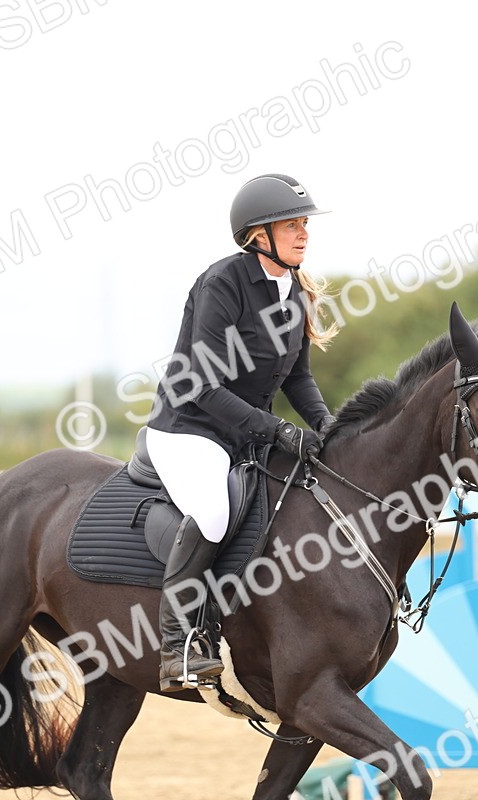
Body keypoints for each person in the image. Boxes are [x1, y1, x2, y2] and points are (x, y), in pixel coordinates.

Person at [146, 173, 339, 691]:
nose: (303, 234)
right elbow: (203, 384)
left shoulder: (294, 293)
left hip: (244, 436)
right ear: (258, 234)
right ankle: (178, 644)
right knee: (213, 509)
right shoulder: (223, 284)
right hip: (189, 429)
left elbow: (298, 378)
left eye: (304, 224)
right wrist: (277, 430)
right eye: (292, 225)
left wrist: (327, 426)